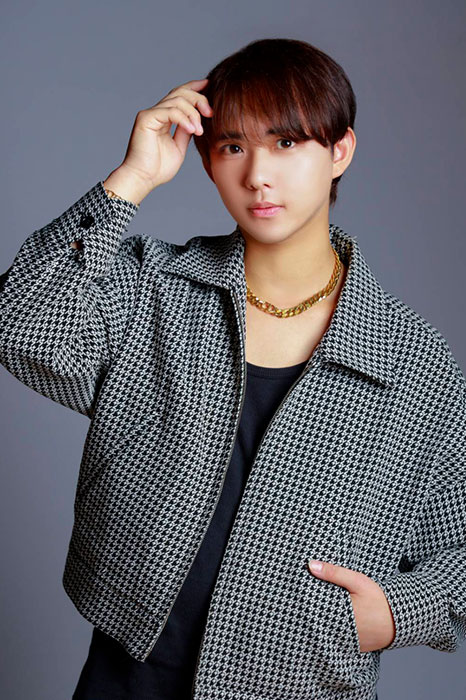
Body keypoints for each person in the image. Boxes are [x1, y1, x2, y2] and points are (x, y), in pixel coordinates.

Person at [0, 37, 464, 700]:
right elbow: (18, 322)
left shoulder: (412, 360)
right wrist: (131, 179)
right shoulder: (154, 288)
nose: (258, 176)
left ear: (340, 151)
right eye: (233, 146)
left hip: (299, 684)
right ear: (207, 160)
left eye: (286, 143)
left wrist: (396, 614)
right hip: (127, 676)